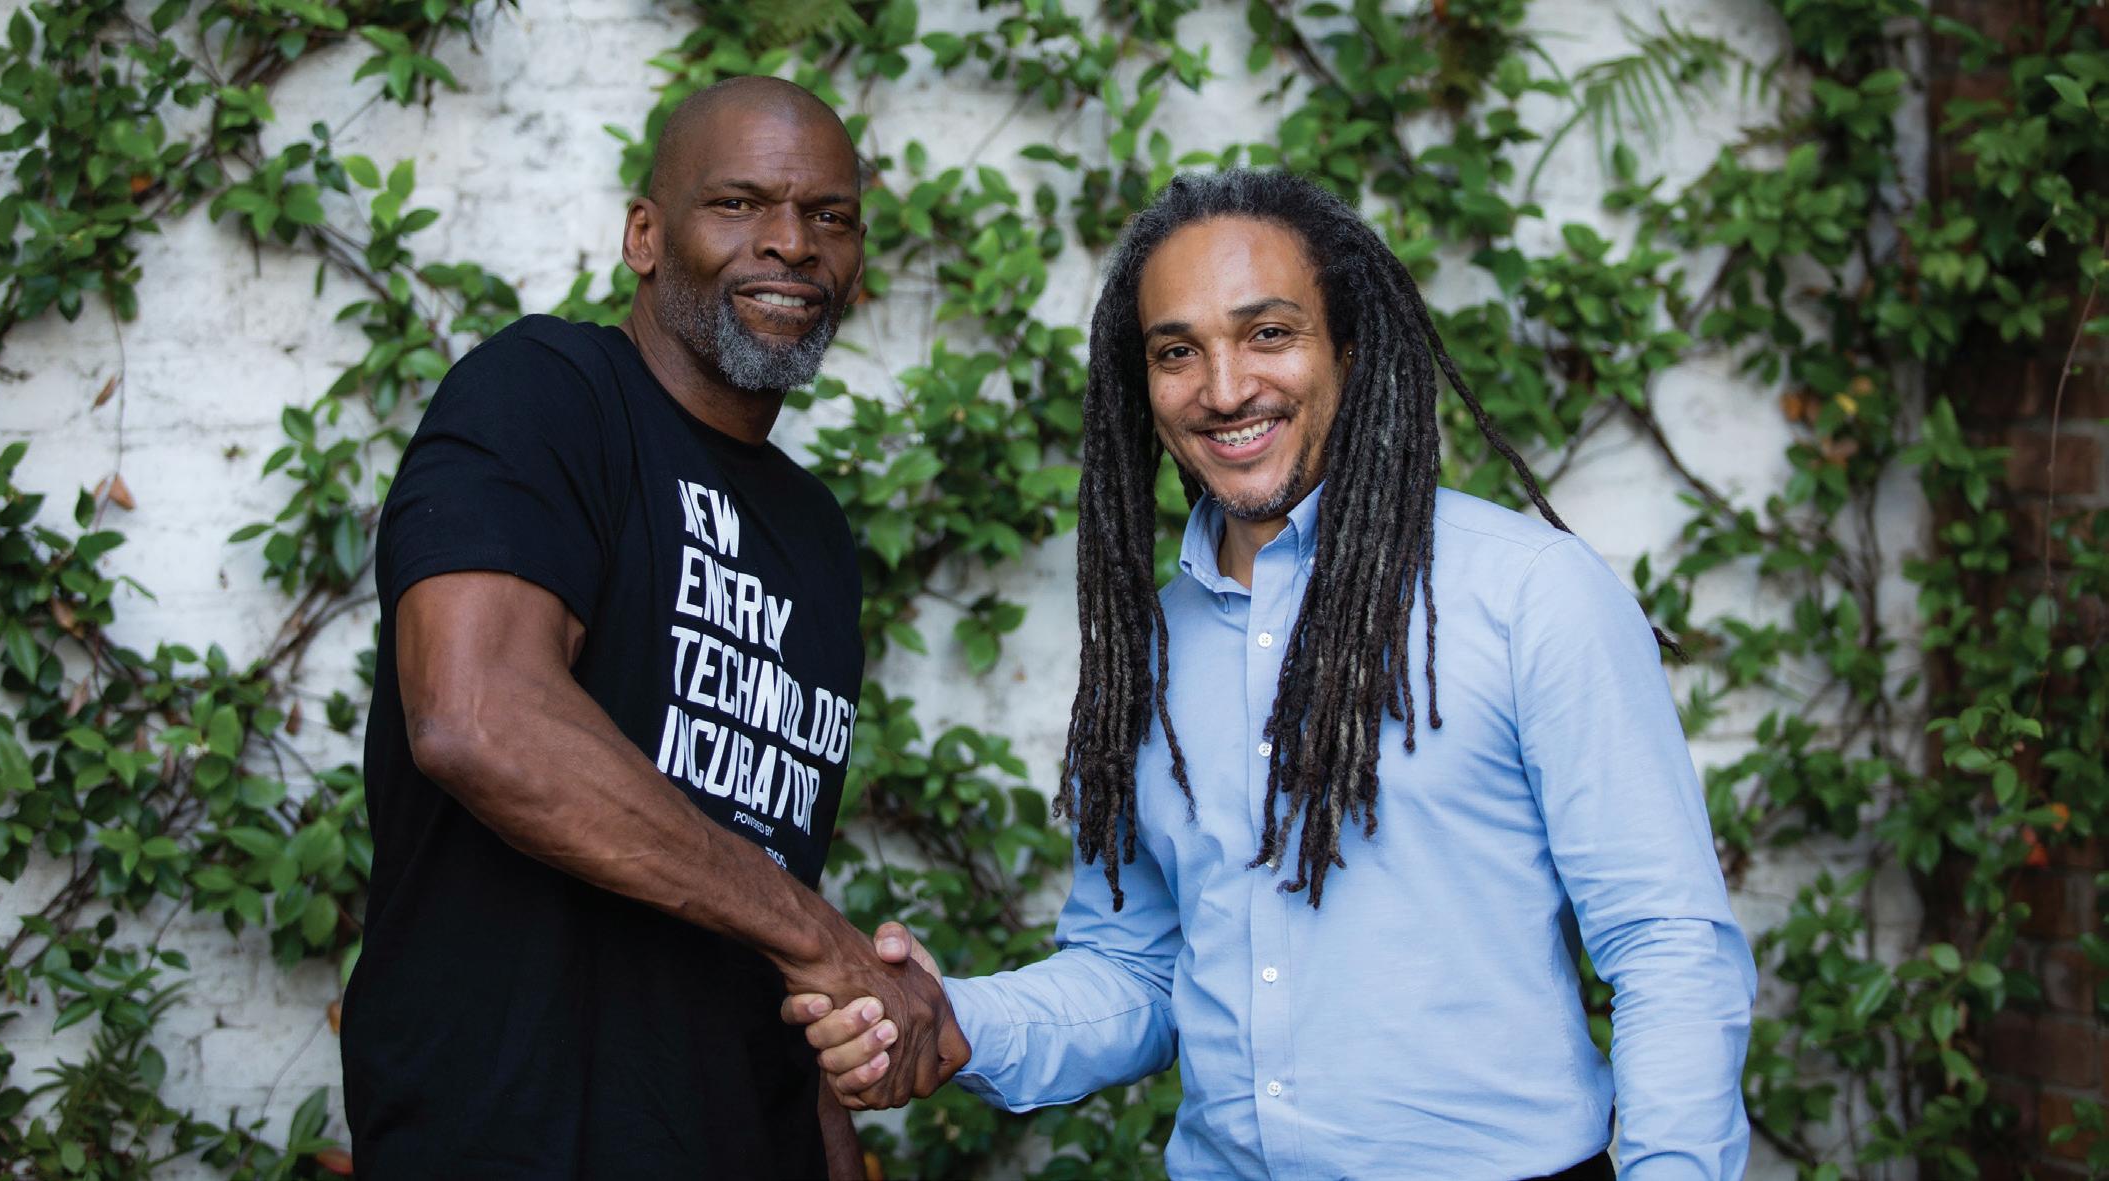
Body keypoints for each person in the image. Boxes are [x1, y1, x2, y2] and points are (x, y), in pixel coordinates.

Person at [785, 170, 1757, 1179]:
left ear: (1347, 347)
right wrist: (952, 1017)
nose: (1223, 388)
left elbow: (1668, 945)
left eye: (1268, 333)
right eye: (1176, 351)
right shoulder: (1147, 652)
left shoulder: (1531, 595)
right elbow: (1139, 969)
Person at [341, 76, 962, 1181]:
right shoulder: (546, 394)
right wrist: (820, 935)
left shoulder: (815, 534)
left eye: (830, 216)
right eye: (738, 203)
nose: (792, 243)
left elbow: (769, 883)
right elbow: (478, 716)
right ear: (644, 235)